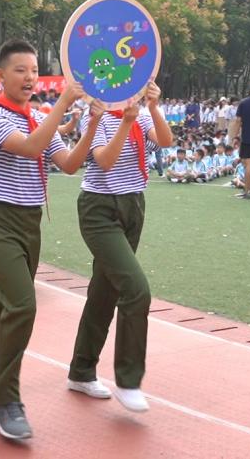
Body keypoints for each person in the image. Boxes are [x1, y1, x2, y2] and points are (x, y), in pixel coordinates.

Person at [0, 40, 92, 442]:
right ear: (0, 76)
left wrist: (92, 123)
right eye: (21, 70)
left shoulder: (37, 115)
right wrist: (62, 106)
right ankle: (6, 400)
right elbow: (33, 146)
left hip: (29, 221)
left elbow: (69, 164)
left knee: (4, 305)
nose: (30, 78)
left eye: (34, 71)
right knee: (21, 305)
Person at [66, 82, 171, 415]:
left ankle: (81, 370)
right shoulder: (96, 117)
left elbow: (166, 140)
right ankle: (128, 380)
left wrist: (153, 107)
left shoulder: (140, 115)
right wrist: (125, 121)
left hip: (133, 207)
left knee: (105, 291)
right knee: (136, 290)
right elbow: (105, 161)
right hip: (100, 210)